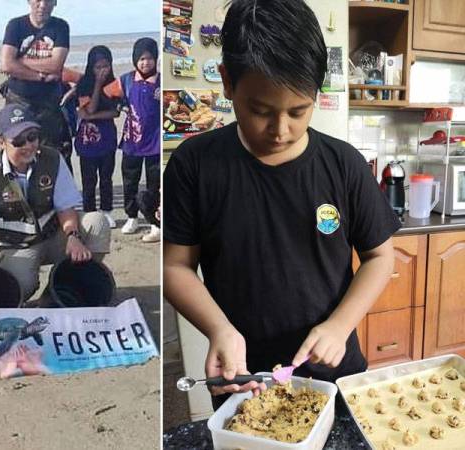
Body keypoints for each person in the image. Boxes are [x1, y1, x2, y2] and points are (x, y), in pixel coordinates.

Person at [163, 0, 400, 409]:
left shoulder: (344, 166)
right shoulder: (194, 164)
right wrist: (219, 329)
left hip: (335, 373)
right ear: (227, 83)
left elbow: (380, 257)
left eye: (298, 110)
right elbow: (174, 266)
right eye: (260, 111)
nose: (280, 130)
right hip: (246, 380)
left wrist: (340, 326)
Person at [0, 104, 110, 302]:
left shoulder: (52, 159)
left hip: (53, 235)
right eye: (18, 141)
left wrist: (73, 236)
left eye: (32, 137)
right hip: (14, 245)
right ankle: (37, 289)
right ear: (1, 142)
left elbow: (65, 206)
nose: (28, 145)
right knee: (19, 289)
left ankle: (65, 286)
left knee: (97, 222)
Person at [0, 0, 71, 158]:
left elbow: (55, 65)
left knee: (51, 151)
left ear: (55, 3)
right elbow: (6, 65)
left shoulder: (60, 27)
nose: (42, 5)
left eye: (48, 1)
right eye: (38, 0)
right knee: (17, 145)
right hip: (18, 98)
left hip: (49, 102)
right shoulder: (16, 25)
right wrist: (39, 76)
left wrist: (19, 61)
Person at [118, 37, 160, 243]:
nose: (145, 63)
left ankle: (155, 222)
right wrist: (120, 106)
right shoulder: (126, 79)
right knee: (129, 181)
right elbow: (107, 96)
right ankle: (131, 216)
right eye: (141, 59)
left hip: (155, 142)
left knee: (155, 183)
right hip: (132, 140)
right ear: (135, 59)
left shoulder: (162, 81)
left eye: (150, 58)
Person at [75, 45, 121, 229]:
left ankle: (107, 211)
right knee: (88, 179)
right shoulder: (84, 84)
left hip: (107, 138)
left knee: (106, 177)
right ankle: (89, 212)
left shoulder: (115, 84)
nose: (103, 70)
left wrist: (90, 116)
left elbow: (115, 113)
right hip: (88, 140)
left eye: (106, 66)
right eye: (98, 67)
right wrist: (97, 85)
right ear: (90, 67)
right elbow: (90, 107)